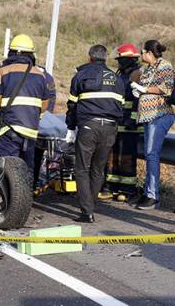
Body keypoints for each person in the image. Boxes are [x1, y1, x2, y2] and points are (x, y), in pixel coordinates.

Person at [65, 45, 124, 223]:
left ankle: (86, 211)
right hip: (110, 128)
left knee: (82, 168)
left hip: (89, 126)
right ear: (105, 58)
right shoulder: (117, 78)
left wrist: (70, 127)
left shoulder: (81, 75)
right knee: (98, 169)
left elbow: (72, 105)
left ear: (90, 57)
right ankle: (91, 203)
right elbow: (120, 106)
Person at [0, 34, 50, 177]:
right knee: (27, 170)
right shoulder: (40, 75)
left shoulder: (3, 71)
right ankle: (26, 198)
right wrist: (34, 120)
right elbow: (45, 103)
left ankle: (7, 198)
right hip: (30, 131)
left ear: (11, 53)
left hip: (8, 129)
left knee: (7, 169)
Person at [131, 40, 175, 210]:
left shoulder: (164, 65)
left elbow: (167, 88)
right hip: (148, 117)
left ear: (149, 52)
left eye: (142, 52)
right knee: (150, 155)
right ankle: (148, 192)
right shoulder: (148, 68)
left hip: (160, 115)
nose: (141, 55)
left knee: (151, 154)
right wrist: (138, 88)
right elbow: (138, 78)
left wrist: (145, 90)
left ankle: (152, 196)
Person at [100, 43, 142, 202]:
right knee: (113, 156)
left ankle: (128, 189)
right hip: (117, 122)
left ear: (131, 59)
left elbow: (139, 99)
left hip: (130, 124)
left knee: (127, 157)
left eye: (122, 59)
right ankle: (112, 186)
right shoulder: (120, 74)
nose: (119, 62)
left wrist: (133, 118)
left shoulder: (137, 74)